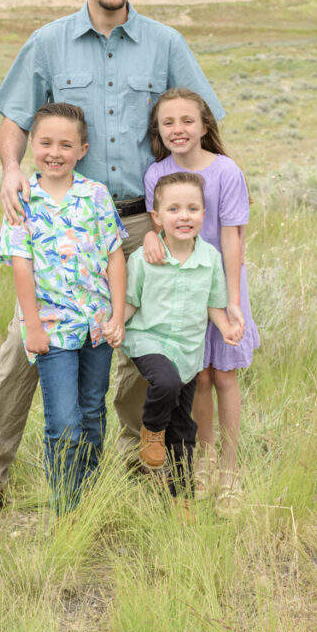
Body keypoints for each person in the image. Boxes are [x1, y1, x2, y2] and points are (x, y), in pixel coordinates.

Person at [0, 0, 224, 501]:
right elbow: (14, 119)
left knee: (144, 344)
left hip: (141, 224)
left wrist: (199, 210)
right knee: (24, 346)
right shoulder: (48, 42)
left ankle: (140, 470)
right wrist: (12, 169)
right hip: (65, 223)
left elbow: (197, 128)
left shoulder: (165, 44)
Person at [0, 102, 126, 514]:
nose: (55, 152)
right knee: (64, 422)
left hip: (97, 327)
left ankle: (88, 495)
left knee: (92, 412)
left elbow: (115, 256)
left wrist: (118, 315)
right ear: (32, 144)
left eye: (65, 145)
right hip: (51, 331)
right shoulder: (23, 199)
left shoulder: (96, 195)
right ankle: (64, 506)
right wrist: (31, 327)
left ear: (82, 150)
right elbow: (21, 266)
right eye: (46, 142)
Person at [142, 88, 259, 516]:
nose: (178, 130)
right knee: (199, 377)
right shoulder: (157, 173)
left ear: (205, 126)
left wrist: (232, 301)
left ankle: (230, 470)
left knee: (224, 374)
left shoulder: (226, 172)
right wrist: (153, 239)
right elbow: (159, 221)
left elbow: (232, 237)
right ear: (158, 130)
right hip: (183, 286)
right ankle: (204, 461)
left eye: (187, 121)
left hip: (223, 281)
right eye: (168, 122)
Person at [122, 172, 242, 509]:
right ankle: (151, 429)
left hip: (189, 351)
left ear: (204, 214)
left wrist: (226, 327)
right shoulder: (142, 260)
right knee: (165, 382)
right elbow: (131, 301)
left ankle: (182, 499)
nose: (184, 216)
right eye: (174, 209)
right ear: (157, 217)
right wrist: (115, 324)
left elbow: (214, 305)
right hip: (150, 341)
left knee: (184, 429)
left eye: (192, 208)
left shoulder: (210, 260)